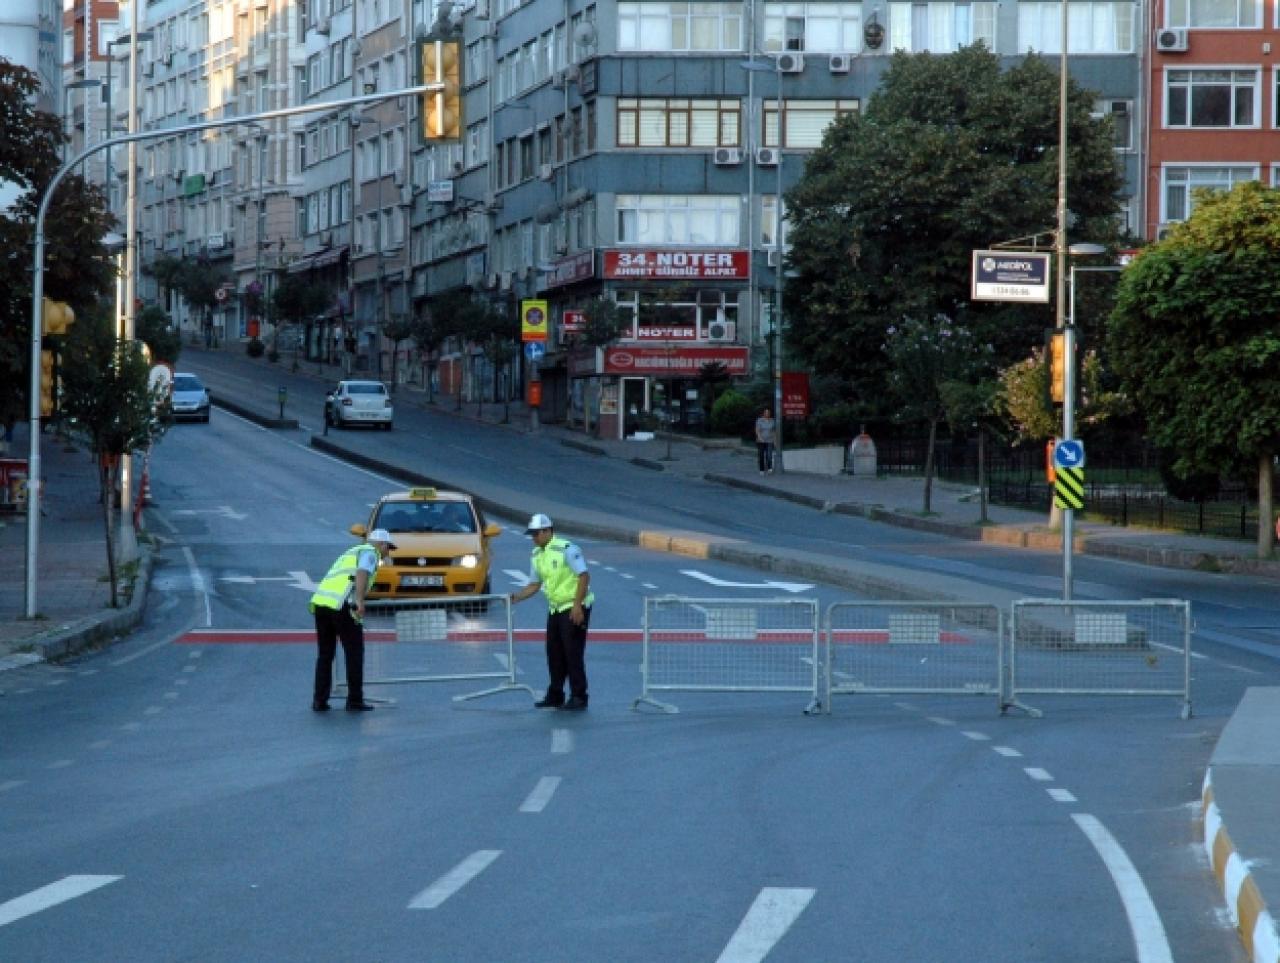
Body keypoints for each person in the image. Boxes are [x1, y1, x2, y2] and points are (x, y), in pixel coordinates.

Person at [509, 513, 593, 711]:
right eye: (532, 534)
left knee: (572, 653)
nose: (534, 538)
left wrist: (577, 605)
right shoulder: (537, 555)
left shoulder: (566, 549)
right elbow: (534, 584)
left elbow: (583, 576)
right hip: (555, 608)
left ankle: (579, 696)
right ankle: (555, 694)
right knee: (554, 652)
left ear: (548, 531)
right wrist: (516, 597)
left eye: (536, 534)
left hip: (573, 606)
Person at [309, 528, 396, 712]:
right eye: (389, 547)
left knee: (325, 655)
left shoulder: (351, 552)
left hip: (322, 604)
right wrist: (359, 601)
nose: (389, 552)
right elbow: (362, 572)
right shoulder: (370, 553)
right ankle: (355, 700)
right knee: (354, 652)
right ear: (382, 544)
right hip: (343, 606)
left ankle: (319, 700)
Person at [755, 407, 776, 474]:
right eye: (766, 412)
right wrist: (760, 438)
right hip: (761, 441)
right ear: (764, 413)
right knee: (761, 455)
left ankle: (769, 468)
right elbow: (757, 430)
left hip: (769, 440)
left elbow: (773, 431)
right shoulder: (760, 420)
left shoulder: (772, 421)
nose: (767, 414)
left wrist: (775, 440)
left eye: (768, 413)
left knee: (769, 455)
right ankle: (762, 469)